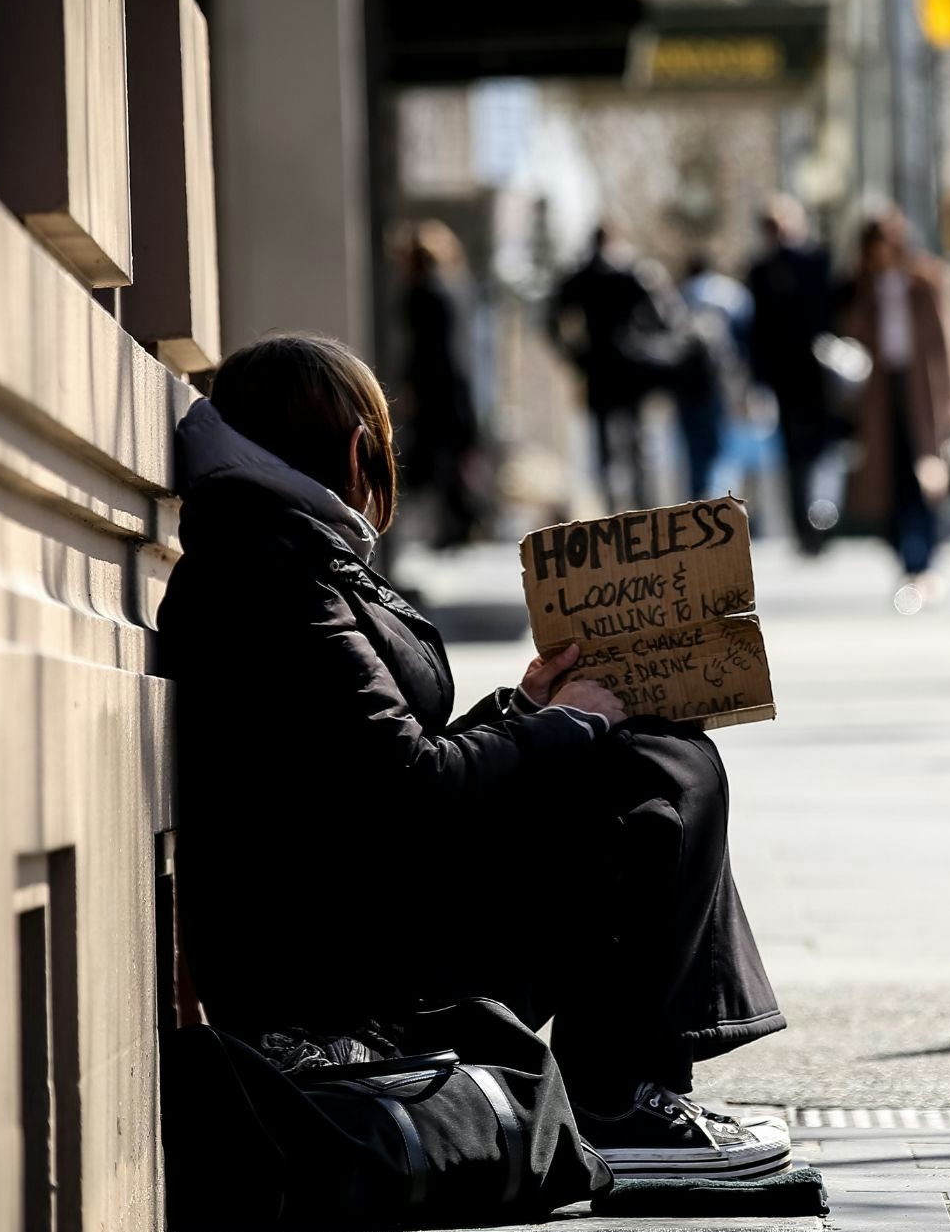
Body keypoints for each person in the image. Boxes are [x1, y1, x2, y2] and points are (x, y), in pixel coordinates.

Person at [156, 334, 791, 1180]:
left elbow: (379, 762)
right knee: (652, 772)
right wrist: (556, 728)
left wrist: (526, 707)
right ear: (357, 449)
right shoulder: (275, 570)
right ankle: (614, 1097)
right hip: (337, 972)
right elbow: (408, 785)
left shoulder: (277, 547)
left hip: (353, 913)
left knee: (652, 747)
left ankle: (625, 1087)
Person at [840, 208, 950, 610]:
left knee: (928, 479)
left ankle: (924, 563)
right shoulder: (862, 288)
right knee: (891, 480)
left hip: (926, 391)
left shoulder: (926, 279)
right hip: (882, 394)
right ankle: (908, 562)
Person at [546, 224, 659, 511]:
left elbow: (551, 320)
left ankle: (613, 511)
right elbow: (660, 316)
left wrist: (574, 355)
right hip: (631, 369)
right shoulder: (630, 273)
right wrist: (646, 347)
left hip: (597, 369)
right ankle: (643, 507)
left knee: (605, 449)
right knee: (636, 445)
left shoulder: (580, 277)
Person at [745, 197, 836, 553]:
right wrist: (758, 380)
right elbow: (757, 331)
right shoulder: (761, 271)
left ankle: (823, 519)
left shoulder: (816, 261)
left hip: (820, 374)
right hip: (783, 378)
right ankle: (805, 527)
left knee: (823, 450)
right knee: (793, 455)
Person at [396, 220, 481, 547]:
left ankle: (425, 537)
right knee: (443, 465)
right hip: (457, 389)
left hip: (436, 392)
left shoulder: (425, 294)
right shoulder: (458, 288)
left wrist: (413, 387)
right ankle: (447, 531)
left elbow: (426, 351)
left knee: (422, 467)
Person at [676, 252, 754, 498]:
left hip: (686, 383)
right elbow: (747, 337)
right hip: (723, 379)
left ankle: (698, 500)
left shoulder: (679, 294)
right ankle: (720, 499)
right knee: (723, 444)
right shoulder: (731, 294)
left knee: (693, 448)